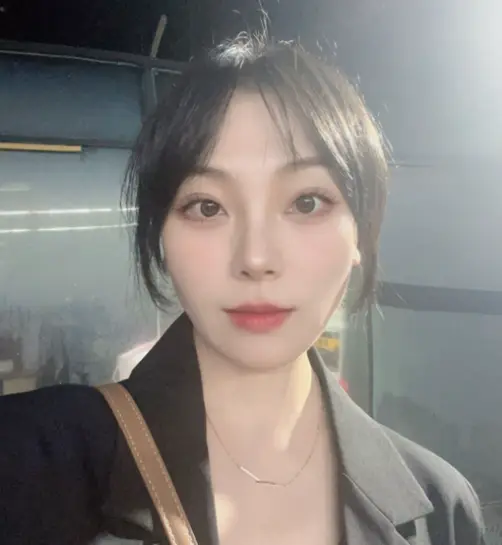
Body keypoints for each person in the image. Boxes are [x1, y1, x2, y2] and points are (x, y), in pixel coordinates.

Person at [0, 35, 485, 545]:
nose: (255, 258)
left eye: (306, 202)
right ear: (161, 235)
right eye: (207, 207)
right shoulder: (28, 466)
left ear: (361, 232)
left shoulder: (442, 509)